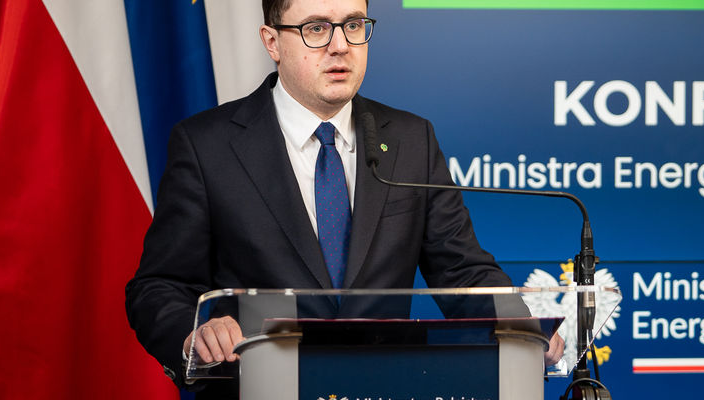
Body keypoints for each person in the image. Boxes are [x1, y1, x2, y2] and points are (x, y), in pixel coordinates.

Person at [125, 0, 564, 396]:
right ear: (272, 41)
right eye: (316, 28)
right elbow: (159, 286)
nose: (340, 46)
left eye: (353, 25)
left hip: (386, 388)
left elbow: (462, 270)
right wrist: (195, 332)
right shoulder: (207, 146)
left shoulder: (412, 140)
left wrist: (523, 325)